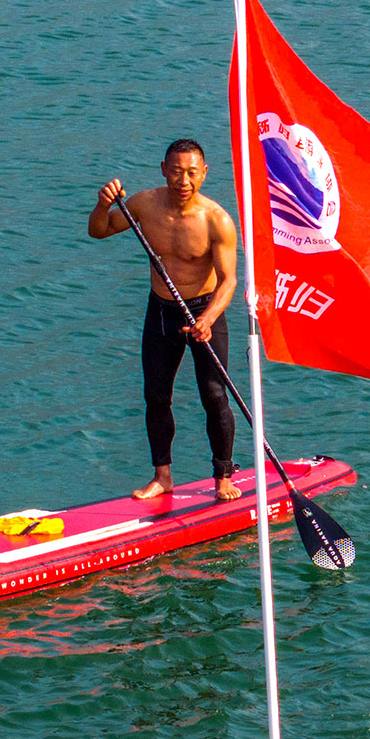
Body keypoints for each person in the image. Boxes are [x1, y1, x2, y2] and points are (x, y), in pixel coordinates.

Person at [88, 140, 240, 503]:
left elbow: (229, 280)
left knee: (214, 396)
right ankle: (162, 476)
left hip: (203, 312)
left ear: (204, 173)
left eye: (191, 172)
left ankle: (223, 476)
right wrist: (103, 204)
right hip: (161, 311)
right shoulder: (144, 204)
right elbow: (99, 230)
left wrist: (208, 318)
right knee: (156, 396)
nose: (183, 180)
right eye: (176, 171)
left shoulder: (216, 220)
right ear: (163, 170)